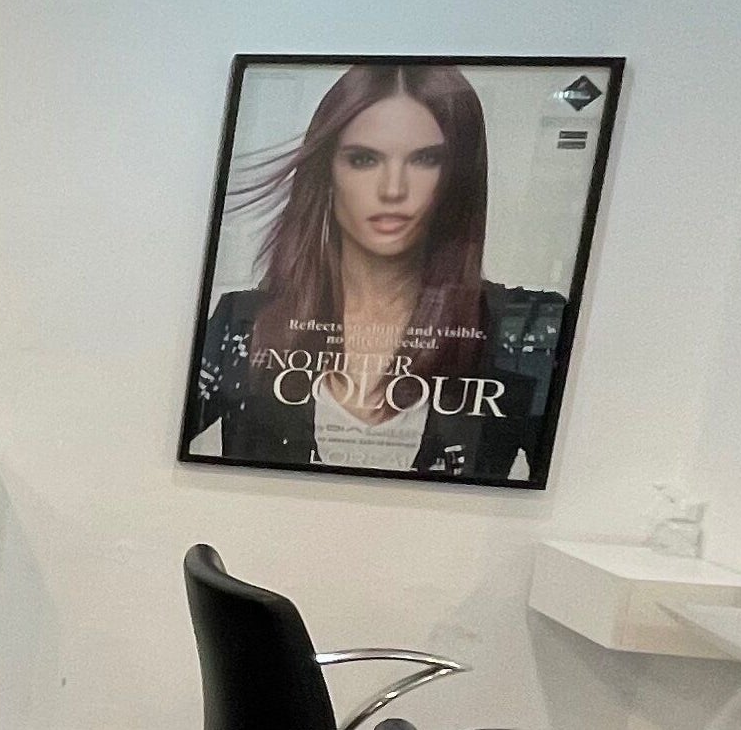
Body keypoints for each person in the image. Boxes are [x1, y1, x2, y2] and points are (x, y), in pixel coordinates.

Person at [183, 62, 565, 481]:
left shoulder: (526, 331)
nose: (392, 189)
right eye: (364, 159)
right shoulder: (241, 325)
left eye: (425, 159)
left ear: (457, 177)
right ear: (327, 172)